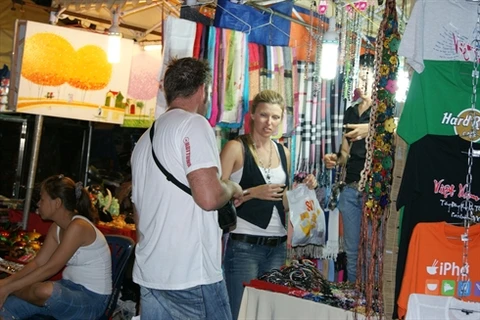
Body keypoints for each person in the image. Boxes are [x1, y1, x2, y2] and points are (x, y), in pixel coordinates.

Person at [130, 57, 243, 320]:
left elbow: (138, 213)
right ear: (202, 90)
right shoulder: (193, 124)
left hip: (151, 272)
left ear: (168, 91)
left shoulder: (145, 140)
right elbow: (208, 197)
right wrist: (232, 187)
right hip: (189, 273)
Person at [220, 90, 318, 319]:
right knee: (239, 311)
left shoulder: (283, 152)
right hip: (244, 244)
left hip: (277, 245)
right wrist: (251, 192)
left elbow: (282, 202)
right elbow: (217, 196)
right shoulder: (235, 148)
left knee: (267, 313)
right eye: (264, 115)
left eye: (275, 117)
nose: (269, 122)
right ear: (252, 115)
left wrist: (304, 190)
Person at [0, 174, 112, 319]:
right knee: (6, 307)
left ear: (57, 203)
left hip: (91, 300)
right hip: (66, 290)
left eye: (42, 199)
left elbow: (51, 268)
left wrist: (9, 287)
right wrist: (6, 282)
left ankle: (12, 290)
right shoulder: (56, 227)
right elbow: (38, 263)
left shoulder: (78, 226)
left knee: (44, 290)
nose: (38, 204)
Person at [323, 55, 373, 283]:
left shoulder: (387, 112)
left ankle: (373, 299)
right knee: (352, 252)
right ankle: (355, 300)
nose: (362, 80)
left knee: (373, 251)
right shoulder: (351, 111)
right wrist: (334, 158)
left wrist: (371, 129)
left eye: (367, 74)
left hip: (375, 191)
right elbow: (345, 154)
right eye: (359, 74)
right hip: (351, 188)